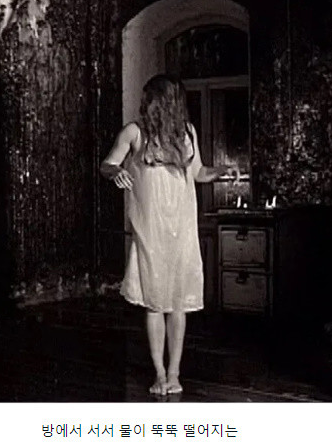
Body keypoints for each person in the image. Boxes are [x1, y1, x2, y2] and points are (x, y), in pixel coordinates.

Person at [100, 74, 239, 395]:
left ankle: (174, 373)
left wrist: (221, 171)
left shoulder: (186, 133)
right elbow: (107, 164)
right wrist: (116, 170)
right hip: (150, 231)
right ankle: (159, 374)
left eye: (152, 97)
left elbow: (198, 172)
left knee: (178, 303)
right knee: (154, 302)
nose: (147, 103)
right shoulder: (134, 132)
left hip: (182, 229)